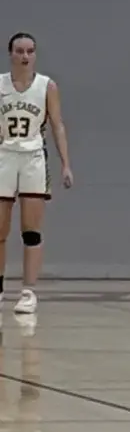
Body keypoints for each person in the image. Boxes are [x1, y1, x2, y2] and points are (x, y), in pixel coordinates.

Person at [0, 33, 73, 315]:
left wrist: (66, 164)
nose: (25, 56)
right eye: (19, 51)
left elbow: (57, 125)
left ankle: (28, 292)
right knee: (0, 230)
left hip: (32, 159)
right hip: (4, 157)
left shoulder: (46, 86)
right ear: (10, 53)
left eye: (30, 51)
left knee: (30, 230)